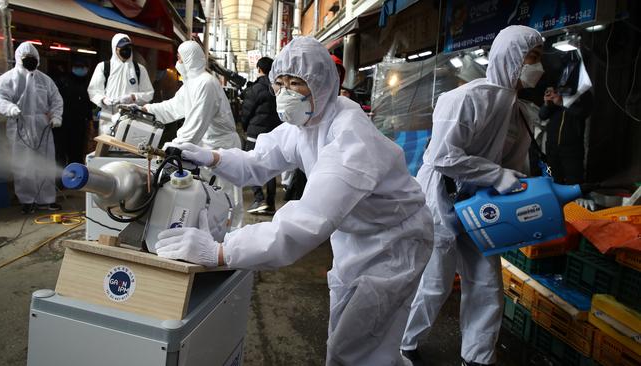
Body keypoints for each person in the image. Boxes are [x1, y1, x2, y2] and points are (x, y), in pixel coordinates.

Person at [155, 36, 434, 365]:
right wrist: (212, 157)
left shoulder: (348, 135)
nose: (285, 93)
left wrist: (222, 250)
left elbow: (308, 220)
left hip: (394, 241)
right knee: (350, 337)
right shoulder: (305, 124)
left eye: (296, 83)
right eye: (280, 83)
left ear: (321, 84)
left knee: (359, 346)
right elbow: (258, 161)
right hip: (356, 235)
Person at [400, 25, 543, 366]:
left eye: (539, 59)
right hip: (441, 197)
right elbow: (442, 156)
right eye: (531, 58)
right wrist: (496, 174)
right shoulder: (467, 99)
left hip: (483, 205)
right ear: (510, 58)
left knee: (487, 284)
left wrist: (513, 185)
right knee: (435, 281)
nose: (537, 67)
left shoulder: (520, 113)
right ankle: (404, 342)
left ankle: (477, 357)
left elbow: (512, 165)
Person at [142, 40, 243, 228]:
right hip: (206, 148)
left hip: (223, 149)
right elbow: (172, 108)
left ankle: (231, 238)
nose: (177, 62)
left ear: (188, 59)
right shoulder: (191, 85)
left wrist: (174, 147)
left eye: (179, 58)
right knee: (208, 196)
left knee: (227, 197)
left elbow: (196, 123)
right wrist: (146, 109)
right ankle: (212, 233)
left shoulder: (206, 83)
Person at [0, 42, 64, 214]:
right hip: (19, 125)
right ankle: (27, 200)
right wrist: (11, 109)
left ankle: (46, 199)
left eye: (33, 58)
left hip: (42, 127)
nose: (30, 61)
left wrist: (56, 116)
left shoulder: (45, 80)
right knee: (23, 164)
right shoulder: (8, 78)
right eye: (26, 59)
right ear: (18, 59)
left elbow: (56, 100)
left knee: (45, 162)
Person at [87, 33, 153, 136]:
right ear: (115, 48)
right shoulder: (104, 67)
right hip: (108, 118)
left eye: (128, 47)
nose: (126, 50)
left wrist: (133, 97)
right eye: (122, 47)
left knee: (127, 148)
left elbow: (149, 93)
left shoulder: (139, 69)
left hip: (132, 118)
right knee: (107, 148)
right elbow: (93, 91)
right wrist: (103, 100)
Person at [240, 56, 282, 214]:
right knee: (271, 167)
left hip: (255, 135)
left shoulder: (255, 88)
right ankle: (270, 203)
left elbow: (246, 112)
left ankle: (259, 199)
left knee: (250, 165)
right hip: (273, 134)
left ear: (259, 69)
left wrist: (245, 127)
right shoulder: (277, 88)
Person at [539, 86, 592, 185]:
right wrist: (546, 103)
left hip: (572, 149)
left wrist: (562, 103)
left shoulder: (583, 92)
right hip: (551, 147)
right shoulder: (557, 91)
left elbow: (582, 112)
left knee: (574, 182)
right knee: (553, 180)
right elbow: (542, 115)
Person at [53, 58, 94, 167]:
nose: (80, 69)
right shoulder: (63, 82)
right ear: (72, 68)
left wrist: (90, 121)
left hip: (79, 125)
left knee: (77, 154)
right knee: (60, 154)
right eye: (78, 67)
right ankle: (60, 180)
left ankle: (75, 179)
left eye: (83, 67)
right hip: (62, 124)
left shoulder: (87, 84)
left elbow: (88, 105)